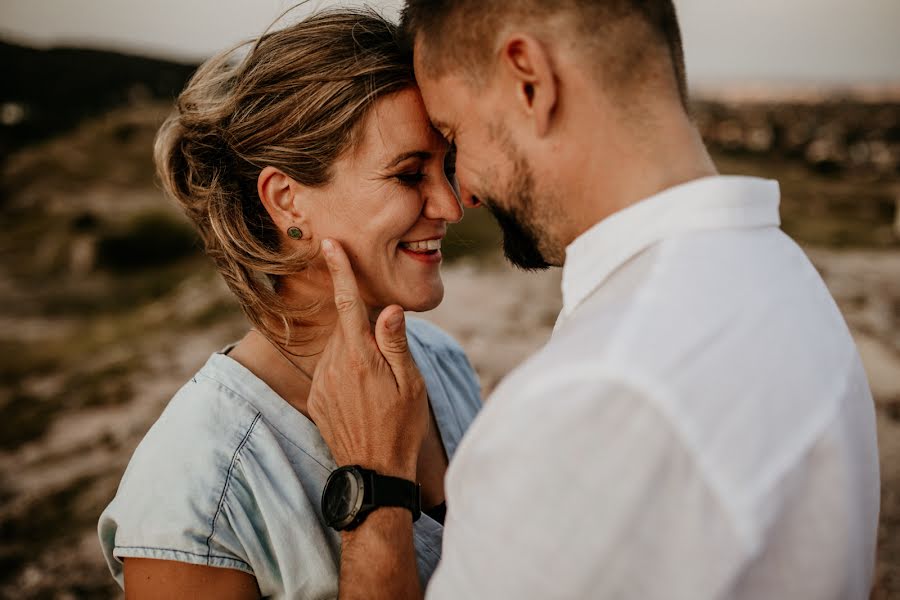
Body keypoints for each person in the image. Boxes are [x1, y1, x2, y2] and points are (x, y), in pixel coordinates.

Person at [305, 1, 881, 598]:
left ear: (529, 81)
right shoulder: (780, 274)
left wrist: (373, 491)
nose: (464, 194)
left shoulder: (596, 394)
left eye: (454, 136)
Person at [96, 8, 482, 599]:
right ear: (287, 201)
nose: (451, 207)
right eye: (409, 175)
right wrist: (373, 488)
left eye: (447, 169)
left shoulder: (443, 361)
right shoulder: (198, 488)